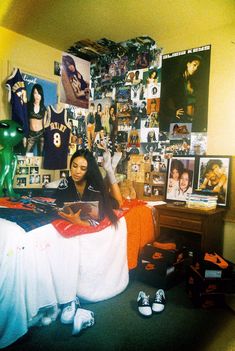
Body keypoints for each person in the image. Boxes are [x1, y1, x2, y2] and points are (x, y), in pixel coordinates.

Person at [55, 149, 123, 227]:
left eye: (83, 169)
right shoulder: (65, 183)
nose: (77, 171)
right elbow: (56, 205)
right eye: (74, 166)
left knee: (118, 204)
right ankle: (111, 169)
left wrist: (79, 222)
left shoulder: (94, 185)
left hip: (99, 201)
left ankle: (110, 171)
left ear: (88, 170)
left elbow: (99, 220)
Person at [160, 54, 202, 130]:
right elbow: (164, 99)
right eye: (194, 65)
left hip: (194, 120)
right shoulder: (176, 81)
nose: (196, 68)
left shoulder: (193, 83)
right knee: (179, 141)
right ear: (188, 64)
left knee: (194, 141)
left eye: (197, 67)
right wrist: (173, 112)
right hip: (181, 119)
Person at [26, 84, 47, 155]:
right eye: (35, 93)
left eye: (39, 93)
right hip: (31, 134)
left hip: (41, 134)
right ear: (32, 94)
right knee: (27, 154)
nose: (37, 95)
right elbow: (25, 120)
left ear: (41, 95)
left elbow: (45, 123)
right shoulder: (28, 105)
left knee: (41, 155)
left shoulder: (44, 108)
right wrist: (25, 136)